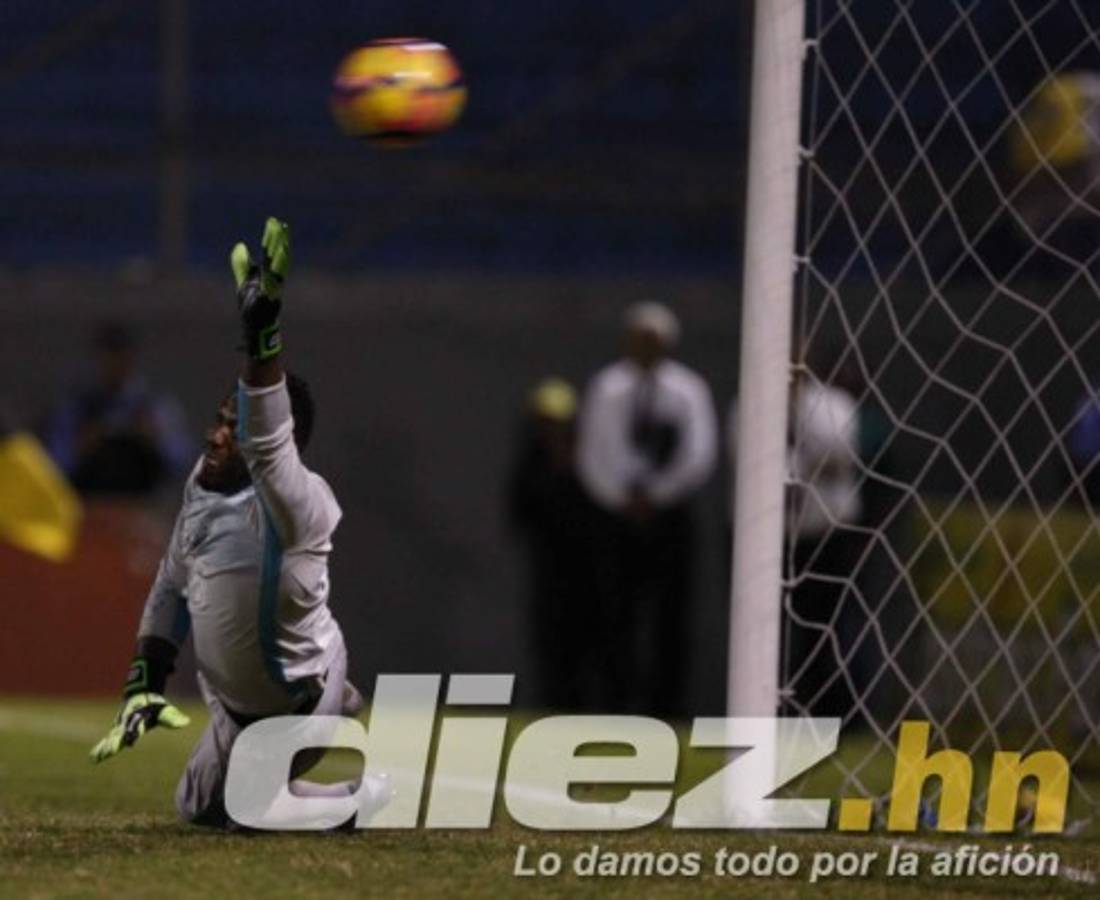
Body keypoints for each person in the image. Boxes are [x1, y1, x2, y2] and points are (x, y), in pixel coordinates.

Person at [88, 218, 388, 828]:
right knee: (197, 810)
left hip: (296, 706)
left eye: (234, 422)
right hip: (234, 707)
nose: (215, 433)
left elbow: (268, 438)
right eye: (219, 418)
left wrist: (263, 334)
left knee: (249, 815)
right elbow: (172, 582)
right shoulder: (203, 480)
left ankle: (368, 791)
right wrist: (147, 674)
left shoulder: (296, 500)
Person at [577, 302, 717, 718]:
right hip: (615, 514)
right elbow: (592, 455)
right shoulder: (607, 387)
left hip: (669, 515)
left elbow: (699, 456)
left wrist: (654, 496)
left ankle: (666, 708)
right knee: (614, 613)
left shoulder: (688, 390)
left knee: (671, 617)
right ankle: (615, 704)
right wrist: (621, 497)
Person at [507, 377, 599, 710]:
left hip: (591, 570)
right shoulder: (531, 464)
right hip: (547, 569)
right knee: (550, 642)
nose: (551, 430)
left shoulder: (592, 463)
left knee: (590, 642)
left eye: (557, 423)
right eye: (544, 423)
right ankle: (555, 706)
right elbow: (519, 513)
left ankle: (588, 708)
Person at [46, 322, 193, 495]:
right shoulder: (76, 408)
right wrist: (82, 446)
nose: (115, 364)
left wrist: (154, 440)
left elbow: (182, 460)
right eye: (109, 356)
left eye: (121, 356)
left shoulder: (155, 406)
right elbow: (53, 465)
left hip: (143, 505)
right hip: (89, 504)